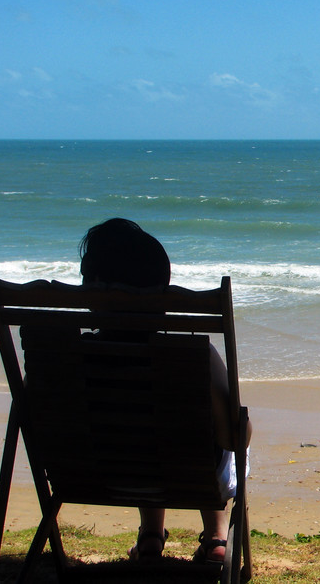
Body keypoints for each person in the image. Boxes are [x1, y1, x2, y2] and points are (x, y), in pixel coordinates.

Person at [79, 217, 251, 564]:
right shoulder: (195, 358)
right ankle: (218, 537)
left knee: (137, 427)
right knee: (215, 422)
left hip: (98, 473)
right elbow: (235, 438)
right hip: (186, 475)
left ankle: (150, 538)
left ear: (95, 286)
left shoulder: (66, 355)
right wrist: (244, 425)